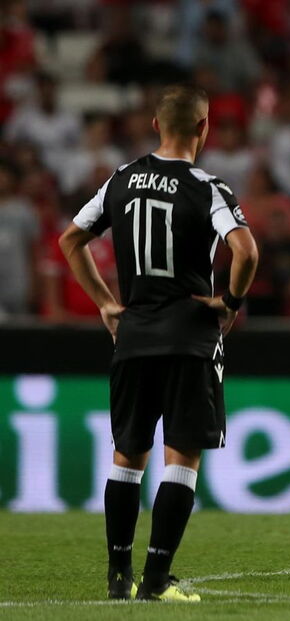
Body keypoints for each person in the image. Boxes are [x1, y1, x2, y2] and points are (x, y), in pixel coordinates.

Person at [57, 84, 259, 601]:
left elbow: (71, 239)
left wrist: (106, 302)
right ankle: (156, 580)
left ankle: (117, 579)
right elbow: (246, 252)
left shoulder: (121, 180)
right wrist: (230, 304)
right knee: (181, 458)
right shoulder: (206, 186)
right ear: (203, 127)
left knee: (127, 456)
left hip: (133, 334)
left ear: (154, 126)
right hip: (189, 337)